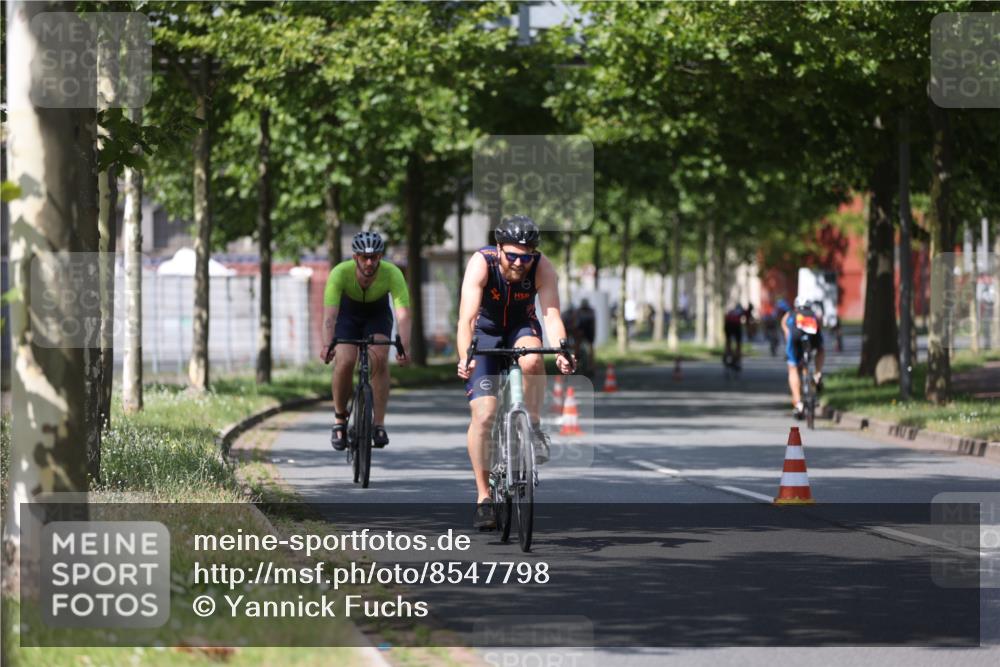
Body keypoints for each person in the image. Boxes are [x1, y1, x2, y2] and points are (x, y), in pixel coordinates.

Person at [456, 215, 575, 529]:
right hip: (484, 331)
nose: (520, 263)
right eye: (512, 256)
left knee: (534, 359)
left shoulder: (542, 266)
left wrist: (562, 348)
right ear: (498, 249)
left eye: (527, 256)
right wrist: (465, 356)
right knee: (484, 415)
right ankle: (483, 497)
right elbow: (466, 319)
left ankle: (532, 426)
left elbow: (551, 315)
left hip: (521, 327)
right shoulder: (482, 263)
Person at [321, 231, 411, 451]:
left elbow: (403, 315)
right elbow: (330, 317)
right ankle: (339, 419)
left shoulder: (392, 273)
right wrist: (327, 345)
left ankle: (378, 423)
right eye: (364, 257)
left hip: (377, 315)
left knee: (379, 358)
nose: (369, 262)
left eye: (374, 257)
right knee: (344, 361)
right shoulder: (340, 273)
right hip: (347, 316)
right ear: (355, 258)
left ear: (381, 257)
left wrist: (404, 347)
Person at [781, 296, 825, 419]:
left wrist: (786, 333)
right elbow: (820, 324)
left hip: (795, 336)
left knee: (793, 368)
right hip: (812, 335)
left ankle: (798, 403)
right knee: (820, 350)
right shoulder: (813, 314)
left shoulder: (792, 313)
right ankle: (817, 374)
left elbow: (783, 323)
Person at [723, 304, 745, 369]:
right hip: (736, 325)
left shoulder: (730, 311)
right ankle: (737, 359)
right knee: (738, 344)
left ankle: (727, 353)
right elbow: (744, 319)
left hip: (728, 325)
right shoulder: (740, 311)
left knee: (728, 341)